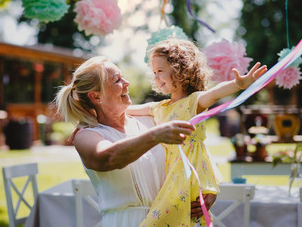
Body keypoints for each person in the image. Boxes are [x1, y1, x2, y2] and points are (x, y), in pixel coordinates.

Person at [54, 56, 211, 227]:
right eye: (117, 80)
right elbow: (108, 158)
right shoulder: (86, 135)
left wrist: (207, 189)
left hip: (169, 219)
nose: (127, 83)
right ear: (96, 96)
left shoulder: (151, 119)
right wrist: (155, 135)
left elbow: (195, 146)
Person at [126, 38, 267, 226]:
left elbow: (215, 93)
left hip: (187, 174)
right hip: (169, 174)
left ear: (180, 70)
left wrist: (238, 85)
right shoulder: (160, 107)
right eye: (154, 73)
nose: (156, 77)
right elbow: (127, 110)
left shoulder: (195, 101)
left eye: (160, 71)